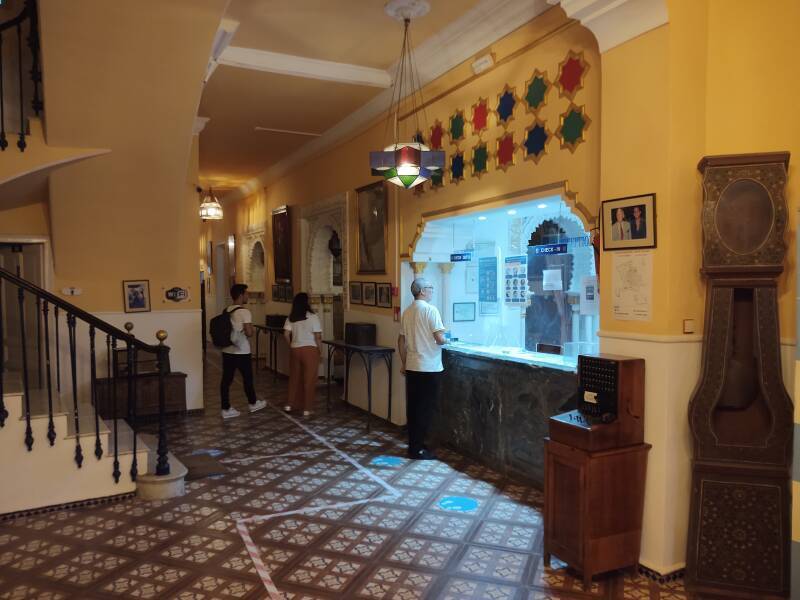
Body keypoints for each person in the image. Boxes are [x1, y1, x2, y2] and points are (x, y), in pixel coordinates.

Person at [398, 277, 447, 460]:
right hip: (429, 367)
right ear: (422, 291)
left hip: (412, 366)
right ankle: (418, 449)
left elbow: (401, 340)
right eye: (430, 287)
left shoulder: (408, 311)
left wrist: (403, 363)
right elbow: (440, 339)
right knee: (425, 409)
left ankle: (414, 445)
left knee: (413, 408)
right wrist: (449, 339)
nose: (432, 290)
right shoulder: (430, 310)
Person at [220, 283, 266, 419]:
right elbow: (250, 332)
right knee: (247, 379)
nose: (247, 296)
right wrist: (249, 329)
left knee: (226, 380)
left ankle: (225, 408)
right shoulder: (244, 312)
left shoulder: (227, 310)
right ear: (241, 295)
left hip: (227, 350)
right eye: (246, 293)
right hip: (242, 352)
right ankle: (253, 403)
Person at [283, 293, 322, 417]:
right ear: (306, 302)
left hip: (295, 349)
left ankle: (290, 404)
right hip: (310, 350)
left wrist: (291, 345)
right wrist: (320, 351)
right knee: (309, 380)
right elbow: (318, 337)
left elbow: (285, 334)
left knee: (295, 378)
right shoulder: (313, 317)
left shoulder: (291, 317)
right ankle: (307, 408)